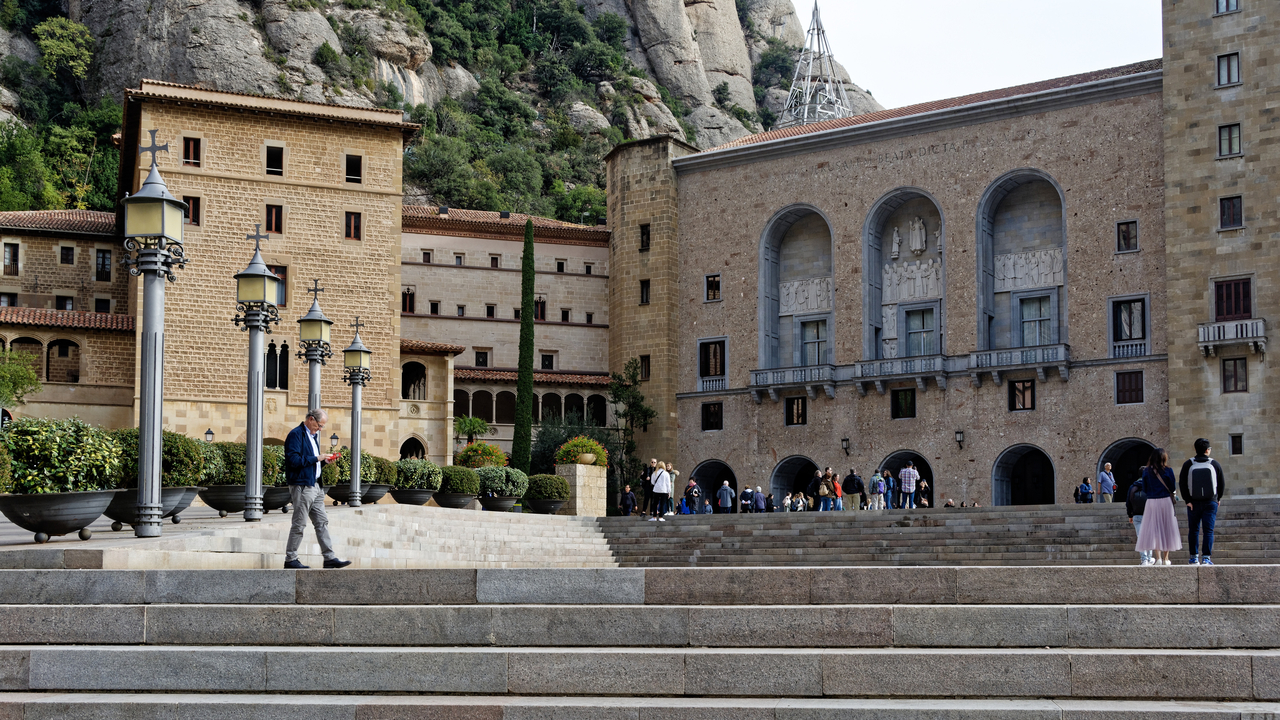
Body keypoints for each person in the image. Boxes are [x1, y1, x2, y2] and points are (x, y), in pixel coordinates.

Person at [283, 409, 350, 570]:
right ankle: (290, 559)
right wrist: (317, 458)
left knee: (322, 522)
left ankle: (329, 558)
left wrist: (323, 462)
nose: (320, 429)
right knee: (299, 523)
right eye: (319, 425)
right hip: (302, 485)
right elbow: (293, 460)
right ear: (311, 419)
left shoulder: (313, 437)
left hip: (316, 486)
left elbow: (309, 463)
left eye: (322, 427)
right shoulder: (296, 434)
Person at [1179, 438, 1226, 566]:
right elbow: (1221, 484)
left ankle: (1194, 558)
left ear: (1195, 449)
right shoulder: (1214, 464)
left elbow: (1182, 483)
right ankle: (1206, 558)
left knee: (1193, 530)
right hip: (1210, 502)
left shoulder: (1188, 464)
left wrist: (1187, 500)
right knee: (1208, 530)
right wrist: (1218, 499)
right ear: (1207, 450)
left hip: (1193, 502)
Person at [1136, 447, 1182, 565]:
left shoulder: (1146, 471)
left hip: (1152, 501)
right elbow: (1172, 487)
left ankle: (1158, 558)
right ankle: (1166, 558)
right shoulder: (1168, 470)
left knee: (1154, 529)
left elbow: (1145, 488)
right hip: (1165, 500)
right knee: (1167, 528)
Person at [1126, 475, 1152, 566]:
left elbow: (1128, 502)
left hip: (1137, 515)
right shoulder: (1150, 485)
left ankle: (1144, 560)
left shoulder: (1132, 487)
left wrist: (1130, 515)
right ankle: (1149, 558)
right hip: (1149, 514)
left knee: (1140, 537)